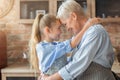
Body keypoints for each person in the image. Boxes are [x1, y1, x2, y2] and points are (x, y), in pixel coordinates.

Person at [41, 0, 115, 80]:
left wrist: (50, 78)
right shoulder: (81, 35)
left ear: (73, 16)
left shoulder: (95, 32)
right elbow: (72, 61)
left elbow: (78, 63)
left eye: (65, 24)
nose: (67, 29)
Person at [29, 13, 99, 77]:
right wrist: (87, 25)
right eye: (58, 28)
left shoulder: (54, 45)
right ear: (48, 30)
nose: (61, 31)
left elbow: (61, 60)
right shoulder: (44, 48)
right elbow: (71, 44)